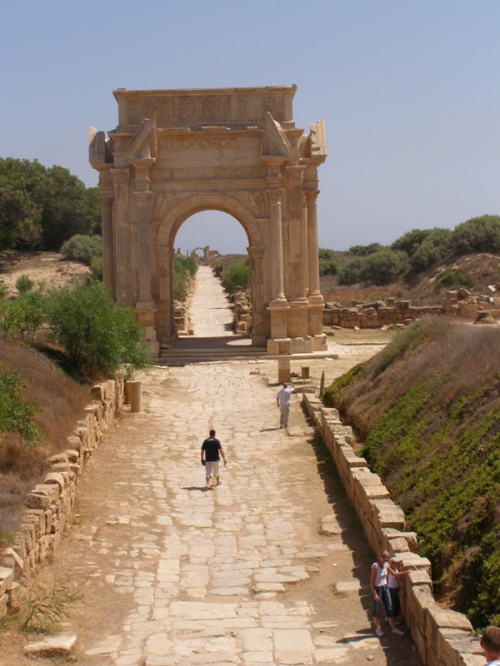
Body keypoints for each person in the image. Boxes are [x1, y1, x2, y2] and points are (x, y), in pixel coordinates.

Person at [370, 550, 404, 637]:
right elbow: (372, 581)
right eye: (384, 557)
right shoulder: (375, 567)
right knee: (377, 609)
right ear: (380, 556)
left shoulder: (386, 565)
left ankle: (393, 628)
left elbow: (393, 573)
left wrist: (405, 572)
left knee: (389, 607)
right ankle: (377, 628)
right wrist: (374, 593)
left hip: (385, 588)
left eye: (387, 557)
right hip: (378, 589)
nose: (386, 559)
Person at [387, 556, 406, 626]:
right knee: (395, 605)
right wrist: (402, 570)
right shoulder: (393, 573)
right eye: (397, 564)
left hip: (394, 590)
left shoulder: (395, 570)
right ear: (392, 565)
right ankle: (392, 620)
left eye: (399, 563)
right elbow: (402, 579)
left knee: (395, 605)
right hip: (392, 590)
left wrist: (400, 570)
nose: (398, 565)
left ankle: (390, 618)